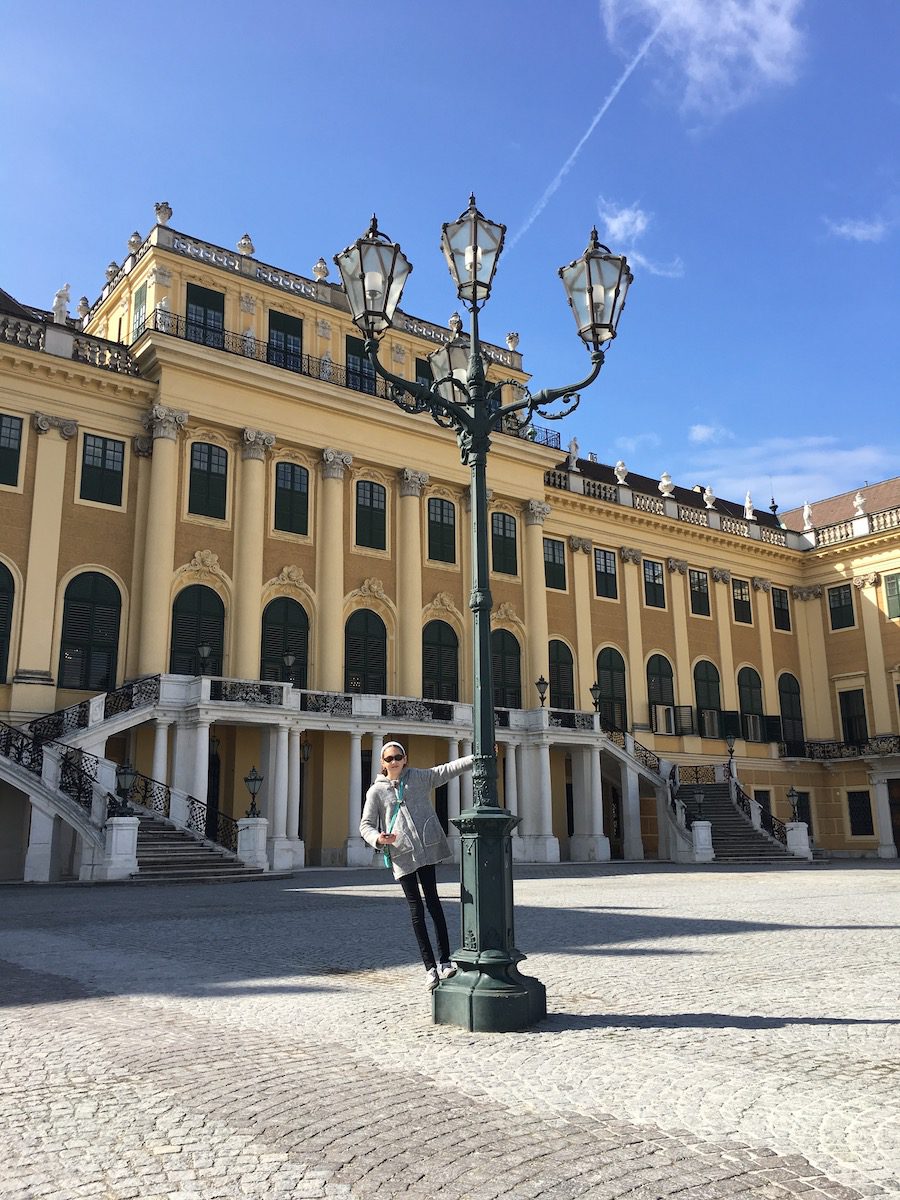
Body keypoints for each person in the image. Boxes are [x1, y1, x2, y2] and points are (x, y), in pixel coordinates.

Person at [360, 741, 473, 992]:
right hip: (402, 854)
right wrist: (378, 839)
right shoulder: (375, 792)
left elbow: (446, 770)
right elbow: (365, 825)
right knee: (416, 911)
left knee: (434, 902)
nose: (394, 762)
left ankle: (445, 961)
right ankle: (429, 967)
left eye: (398, 757)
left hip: (427, 848)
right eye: (389, 758)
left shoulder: (418, 778)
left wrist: (475, 758)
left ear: (405, 758)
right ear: (383, 763)